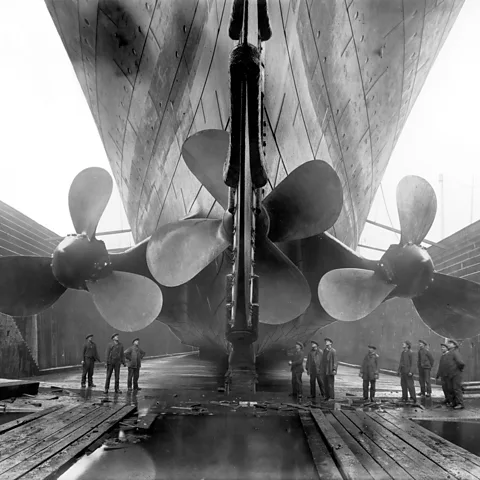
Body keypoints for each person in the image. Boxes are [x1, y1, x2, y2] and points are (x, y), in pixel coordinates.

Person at [445, 339, 465, 410]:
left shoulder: (455, 352)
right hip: (451, 374)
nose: (449, 344)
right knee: (451, 389)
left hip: (456, 374)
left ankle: (460, 403)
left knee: (456, 389)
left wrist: (459, 369)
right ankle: (454, 403)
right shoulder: (450, 352)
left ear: (454, 345)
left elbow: (461, 363)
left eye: (451, 343)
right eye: (449, 343)